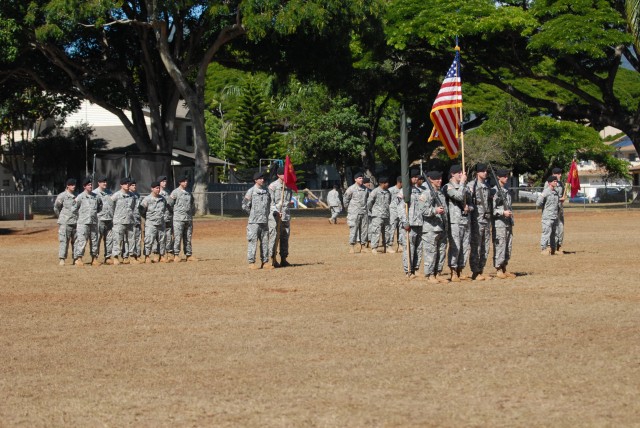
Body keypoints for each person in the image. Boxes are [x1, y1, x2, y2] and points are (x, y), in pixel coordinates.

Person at [443, 164, 473, 282]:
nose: (462, 174)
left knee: (465, 247)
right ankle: (453, 271)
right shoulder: (448, 187)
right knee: (455, 247)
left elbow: (471, 203)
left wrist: (469, 208)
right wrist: (462, 184)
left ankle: (461, 269)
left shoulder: (464, 187)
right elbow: (459, 196)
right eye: (459, 173)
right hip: (454, 222)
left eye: (462, 172)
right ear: (452, 174)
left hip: (466, 220)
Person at [420, 171, 449, 284]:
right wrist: (435, 210)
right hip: (430, 228)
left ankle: (437, 273)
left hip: (441, 227)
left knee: (441, 252)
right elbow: (423, 210)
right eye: (437, 179)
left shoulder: (441, 193)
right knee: (431, 253)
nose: (440, 180)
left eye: (440, 178)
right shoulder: (426, 194)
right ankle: (430, 274)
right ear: (431, 180)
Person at [242, 172, 272, 269]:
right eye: (260, 178)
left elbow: (269, 204)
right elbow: (244, 205)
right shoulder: (251, 191)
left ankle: (265, 262)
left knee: (265, 242)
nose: (262, 180)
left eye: (263, 178)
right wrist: (252, 214)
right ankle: (251, 262)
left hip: (264, 221)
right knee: (253, 241)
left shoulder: (266, 191)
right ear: (255, 180)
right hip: (254, 222)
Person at [467, 163, 492, 281]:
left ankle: (481, 269)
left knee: (485, 246)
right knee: (476, 246)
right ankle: (475, 271)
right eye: (482, 171)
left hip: (486, 219)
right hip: (476, 219)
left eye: (486, 171)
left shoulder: (487, 186)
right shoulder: (472, 185)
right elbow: (467, 201)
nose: (485, 173)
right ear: (477, 173)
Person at [398, 169, 423, 278]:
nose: (416, 178)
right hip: (410, 223)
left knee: (419, 247)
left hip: (420, 222)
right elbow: (400, 207)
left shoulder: (420, 190)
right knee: (409, 248)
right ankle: (408, 269)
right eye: (413, 177)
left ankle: (416, 268)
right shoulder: (404, 191)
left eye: (417, 176)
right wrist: (405, 221)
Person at [268, 166, 294, 267]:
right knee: (274, 237)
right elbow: (270, 203)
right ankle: (273, 259)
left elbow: (288, 201)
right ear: (278, 175)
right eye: (283, 173)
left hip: (286, 216)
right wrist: (276, 212)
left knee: (285, 237)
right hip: (275, 216)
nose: (286, 175)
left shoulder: (288, 186)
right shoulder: (273, 186)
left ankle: (284, 258)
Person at [73, 177, 102, 266]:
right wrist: (80, 217)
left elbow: (100, 207)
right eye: (88, 185)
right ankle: (79, 258)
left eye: (91, 185)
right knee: (82, 241)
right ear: (84, 186)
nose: (90, 186)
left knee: (94, 241)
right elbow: (74, 208)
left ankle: (94, 259)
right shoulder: (80, 197)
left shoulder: (96, 197)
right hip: (83, 223)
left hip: (93, 222)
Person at [492, 169, 515, 279]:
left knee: (508, 247)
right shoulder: (494, 191)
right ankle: (498, 269)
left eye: (507, 176)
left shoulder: (506, 190)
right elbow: (491, 209)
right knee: (500, 246)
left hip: (508, 223)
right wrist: (502, 212)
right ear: (498, 177)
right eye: (504, 176)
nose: (506, 178)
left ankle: (504, 267)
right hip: (499, 224)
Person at [139, 181, 168, 263]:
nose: (158, 189)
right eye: (156, 188)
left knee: (162, 240)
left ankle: (162, 255)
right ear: (152, 189)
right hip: (151, 223)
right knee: (149, 240)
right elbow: (141, 210)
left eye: (159, 188)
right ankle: (147, 256)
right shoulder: (147, 199)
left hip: (161, 223)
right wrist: (148, 218)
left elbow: (165, 209)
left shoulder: (162, 199)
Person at [170, 175, 197, 262]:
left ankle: (188, 255)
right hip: (178, 219)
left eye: (186, 181)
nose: (186, 183)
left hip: (188, 218)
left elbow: (191, 202)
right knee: (177, 237)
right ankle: (176, 255)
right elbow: (169, 204)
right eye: (184, 181)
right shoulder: (175, 192)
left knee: (188, 237)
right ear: (180, 182)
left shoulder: (189, 192)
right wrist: (175, 214)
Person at [111, 177, 136, 265]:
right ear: (121, 185)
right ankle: (116, 257)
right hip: (119, 221)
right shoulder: (116, 195)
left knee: (131, 240)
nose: (127, 185)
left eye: (128, 184)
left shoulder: (132, 196)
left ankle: (131, 257)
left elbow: (132, 207)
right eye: (125, 184)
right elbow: (111, 207)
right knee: (117, 240)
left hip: (129, 221)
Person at [53, 178, 78, 266]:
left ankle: (76, 259)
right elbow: (56, 207)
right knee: (64, 240)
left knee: (76, 241)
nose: (73, 186)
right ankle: (62, 259)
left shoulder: (76, 196)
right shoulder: (62, 196)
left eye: (74, 184)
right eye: (71, 185)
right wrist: (61, 217)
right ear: (67, 186)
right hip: (65, 222)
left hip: (75, 222)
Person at [343, 172, 369, 253]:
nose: (361, 179)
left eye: (362, 178)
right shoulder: (351, 189)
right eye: (359, 178)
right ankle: (351, 246)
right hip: (354, 213)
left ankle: (363, 246)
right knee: (353, 229)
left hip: (364, 212)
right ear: (355, 179)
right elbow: (345, 200)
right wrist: (349, 210)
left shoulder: (366, 189)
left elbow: (368, 199)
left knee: (364, 230)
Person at [536, 175, 560, 255]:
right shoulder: (546, 192)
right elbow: (538, 202)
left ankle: (553, 249)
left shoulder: (555, 192)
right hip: (547, 217)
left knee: (554, 234)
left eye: (556, 181)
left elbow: (557, 204)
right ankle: (543, 249)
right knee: (546, 233)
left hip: (554, 216)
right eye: (554, 181)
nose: (556, 182)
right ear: (550, 183)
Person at [367, 176, 391, 254]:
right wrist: (372, 211)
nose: (388, 184)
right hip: (377, 215)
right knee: (376, 231)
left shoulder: (388, 192)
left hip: (386, 215)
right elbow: (369, 202)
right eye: (386, 183)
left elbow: (389, 202)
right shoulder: (375, 191)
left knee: (387, 231)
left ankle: (387, 246)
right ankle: (374, 247)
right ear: (382, 183)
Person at [93, 176, 114, 265]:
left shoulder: (109, 193)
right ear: (99, 183)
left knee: (109, 239)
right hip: (99, 219)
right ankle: (95, 257)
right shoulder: (94, 193)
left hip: (109, 219)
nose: (104, 183)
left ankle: (108, 257)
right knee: (97, 239)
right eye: (102, 182)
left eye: (105, 182)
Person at [158, 175, 174, 261]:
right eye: (162, 181)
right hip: (161, 218)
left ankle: (169, 252)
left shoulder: (168, 192)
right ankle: (161, 253)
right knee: (161, 236)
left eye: (165, 181)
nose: (164, 183)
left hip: (168, 217)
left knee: (168, 235)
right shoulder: (158, 193)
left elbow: (171, 204)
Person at [386, 176, 403, 252]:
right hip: (393, 212)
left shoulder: (404, 190)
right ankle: (389, 245)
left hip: (401, 212)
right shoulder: (391, 190)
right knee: (392, 228)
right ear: (399, 182)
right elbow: (387, 201)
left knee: (401, 229)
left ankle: (400, 245)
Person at [552, 167, 566, 254]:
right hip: (552, 209)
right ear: (554, 174)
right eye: (558, 173)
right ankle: (553, 246)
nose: (560, 175)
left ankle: (559, 245)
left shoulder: (560, 183)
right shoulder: (549, 183)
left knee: (561, 227)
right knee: (555, 228)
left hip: (560, 209)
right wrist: (559, 198)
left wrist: (568, 187)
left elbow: (565, 193)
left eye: (560, 173)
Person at [128, 179, 142, 263]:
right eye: (132, 185)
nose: (134, 187)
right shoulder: (128, 195)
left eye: (135, 185)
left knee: (138, 238)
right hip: (129, 220)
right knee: (130, 239)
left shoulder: (137, 195)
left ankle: (137, 255)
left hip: (137, 219)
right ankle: (129, 256)